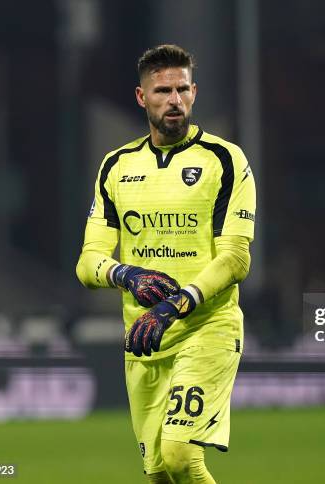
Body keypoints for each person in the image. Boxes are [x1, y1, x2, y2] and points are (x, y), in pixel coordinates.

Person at [76, 44, 256, 483]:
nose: (173, 100)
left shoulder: (225, 161)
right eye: (162, 91)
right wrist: (127, 274)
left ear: (194, 93)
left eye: (182, 89)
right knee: (157, 474)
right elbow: (88, 262)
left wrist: (173, 305)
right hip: (144, 337)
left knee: (180, 456)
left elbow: (235, 258)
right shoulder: (116, 167)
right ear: (142, 98)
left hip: (205, 328)